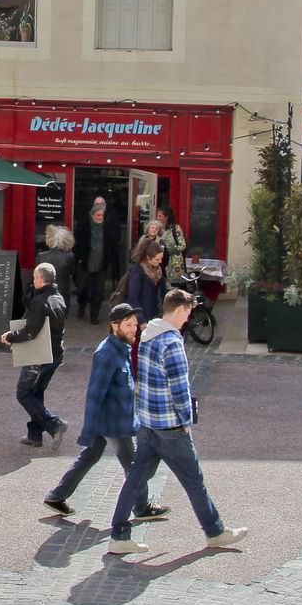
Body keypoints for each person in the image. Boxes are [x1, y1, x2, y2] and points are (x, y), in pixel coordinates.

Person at [108, 288, 247, 556]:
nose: (188, 319)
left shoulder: (147, 336)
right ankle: (215, 531)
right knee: (194, 481)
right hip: (170, 425)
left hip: (149, 422)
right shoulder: (172, 342)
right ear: (181, 310)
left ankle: (119, 534)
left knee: (136, 478)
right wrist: (186, 420)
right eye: (188, 313)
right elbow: (180, 388)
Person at [43, 304, 169, 523]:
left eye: (134, 325)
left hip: (115, 419)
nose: (134, 330)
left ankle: (56, 496)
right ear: (114, 325)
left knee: (89, 457)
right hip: (113, 423)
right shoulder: (106, 354)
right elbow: (95, 394)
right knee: (134, 466)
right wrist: (88, 430)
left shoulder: (122, 347)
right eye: (128, 325)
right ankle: (141, 507)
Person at [1, 262, 68, 449]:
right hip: (54, 355)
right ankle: (34, 434)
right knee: (36, 393)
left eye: (34, 278)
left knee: (24, 393)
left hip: (39, 357)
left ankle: (55, 424)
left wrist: (10, 337)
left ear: (40, 280)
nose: (32, 281)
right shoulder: (59, 298)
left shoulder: (40, 302)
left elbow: (30, 331)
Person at [72, 196, 121, 325]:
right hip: (85, 263)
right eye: (98, 215)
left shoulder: (108, 227)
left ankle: (95, 315)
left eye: (102, 215)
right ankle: (81, 305)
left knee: (98, 291)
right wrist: (80, 258)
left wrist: (109, 258)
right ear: (92, 215)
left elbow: (112, 242)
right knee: (83, 288)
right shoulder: (83, 226)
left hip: (101, 263)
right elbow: (77, 244)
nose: (100, 217)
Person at [125, 235, 164, 323]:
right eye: (157, 259)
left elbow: (163, 293)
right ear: (148, 258)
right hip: (142, 318)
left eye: (161, 258)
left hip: (155, 316)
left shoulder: (158, 271)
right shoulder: (137, 271)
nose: (160, 262)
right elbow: (132, 299)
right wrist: (141, 320)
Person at [37, 224, 76, 298]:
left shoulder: (41, 256)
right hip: (63, 291)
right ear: (67, 240)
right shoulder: (70, 256)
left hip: (43, 291)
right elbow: (72, 272)